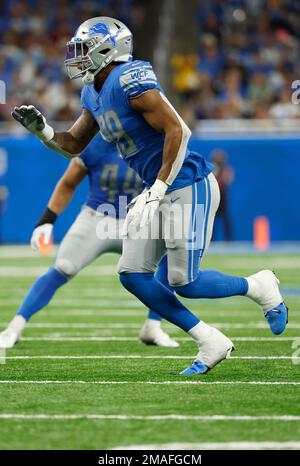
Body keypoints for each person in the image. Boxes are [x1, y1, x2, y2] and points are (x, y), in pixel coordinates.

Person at [11, 17, 288, 375]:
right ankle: (210, 340)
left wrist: (157, 188)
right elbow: (75, 143)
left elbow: (179, 130)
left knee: (184, 281)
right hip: (157, 188)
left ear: (108, 50)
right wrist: (45, 132)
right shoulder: (91, 91)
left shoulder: (130, 79)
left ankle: (259, 285)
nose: (76, 58)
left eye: (83, 49)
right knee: (132, 273)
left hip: (188, 183)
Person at [0, 134, 178, 349]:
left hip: (137, 218)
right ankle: (14, 327)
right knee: (62, 267)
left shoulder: (152, 141)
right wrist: (46, 221)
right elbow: (68, 183)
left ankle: (153, 325)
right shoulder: (95, 144)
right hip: (97, 216)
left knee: (172, 251)